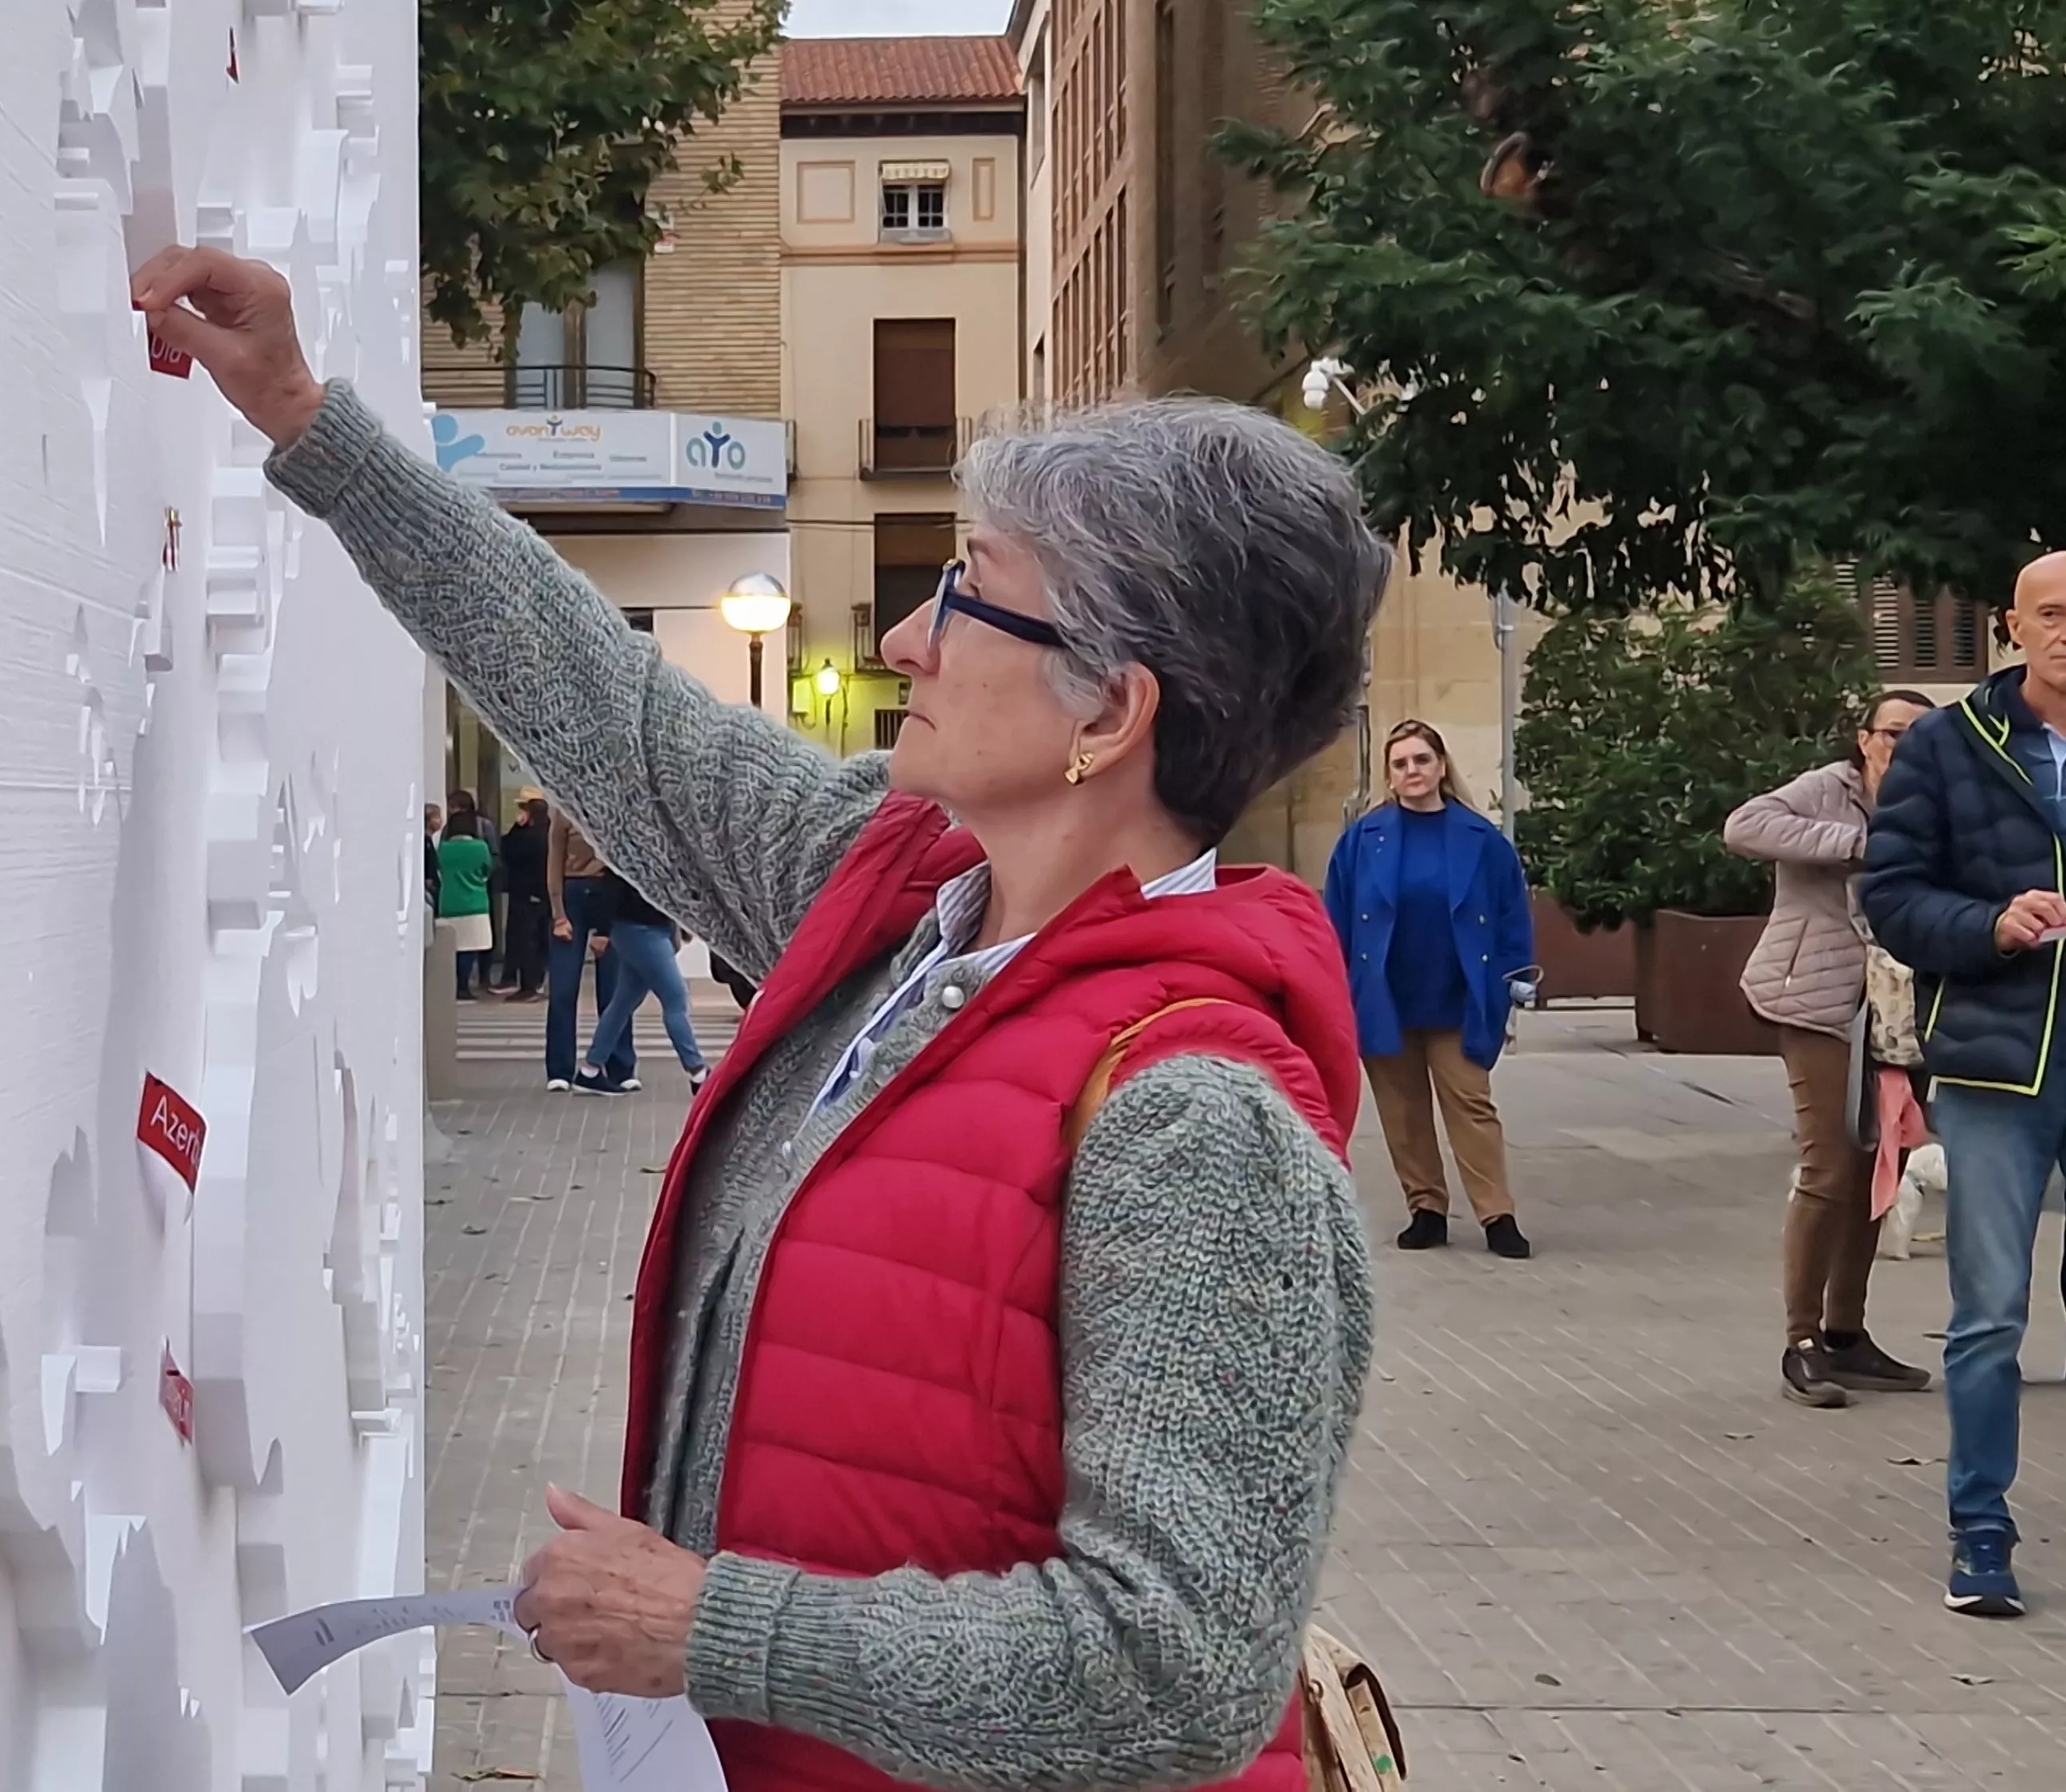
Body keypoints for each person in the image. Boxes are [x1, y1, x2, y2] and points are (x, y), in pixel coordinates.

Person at [137, 243, 1382, 1792]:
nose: (906, 639)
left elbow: (1176, 1672)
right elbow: (600, 701)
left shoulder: (1198, 1117)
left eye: (968, 595)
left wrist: (710, 1627)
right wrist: (305, 418)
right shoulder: (887, 897)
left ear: (1109, 711)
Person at [1864, 548, 2066, 1620]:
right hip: (1996, 1065)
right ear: (2014, 625)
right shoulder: (1948, 743)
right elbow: (1891, 895)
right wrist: (1990, 925)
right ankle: (1980, 1531)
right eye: (2052, 613)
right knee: (1990, 1314)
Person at [1727, 691, 1939, 1408]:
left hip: (1902, 1007)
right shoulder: (1830, 789)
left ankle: (1847, 1334)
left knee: (1882, 1164)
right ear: (1865, 739)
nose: (1905, 747)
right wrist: (1858, 845)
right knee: (1829, 1163)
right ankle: (1802, 1340)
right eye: (1893, 734)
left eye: (1921, 736)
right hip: (1819, 1002)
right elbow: (1746, 826)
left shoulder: (1938, 799)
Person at [1323, 721, 1537, 1259]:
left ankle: (1497, 1215)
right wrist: (1333, 987)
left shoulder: (1482, 841)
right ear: (1389, 775)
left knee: (1471, 1104)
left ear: (1441, 766)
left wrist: (1515, 981)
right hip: (1384, 998)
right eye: (1400, 764)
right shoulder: (1361, 841)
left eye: (1421, 760)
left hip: (1459, 997)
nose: (1412, 771)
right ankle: (1426, 1209)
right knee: (1402, 1112)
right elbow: (1335, 920)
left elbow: (1511, 915)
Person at [576, 869, 710, 1093]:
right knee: (675, 998)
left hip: (644, 927)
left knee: (623, 1003)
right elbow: (613, 883)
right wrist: (602, 930)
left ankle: (590, 1069)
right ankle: (698, 1071)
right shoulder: (633, 852)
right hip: (639, 927)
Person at [544, 802, 637, 1094]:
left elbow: (626, 859)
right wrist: (558, 914)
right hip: (573, 893)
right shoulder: (563, 807)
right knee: (563, 986)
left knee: (615, 989)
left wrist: (616, 917)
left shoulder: (615, 804)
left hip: (610, 891)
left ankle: (620, 1066)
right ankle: (560, 1068)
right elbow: (554, 861)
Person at [435, 809, 495, 999]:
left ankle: (452, 986)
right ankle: (464, 985)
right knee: (470, 947)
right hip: (476, 902)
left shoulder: (443, 849)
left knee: (452, 946)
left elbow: (439, 871)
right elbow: (487, 869)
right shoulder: (481, 847)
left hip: (449, 901)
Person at [498, 796, 553, 999]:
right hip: (546, 893)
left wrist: (517, 828)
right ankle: (537, 981)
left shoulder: (528, 836)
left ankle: (528, 985)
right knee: (542, 939)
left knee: (526, 939)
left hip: (526, 893)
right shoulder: (549, 834)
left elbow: (507, 850)